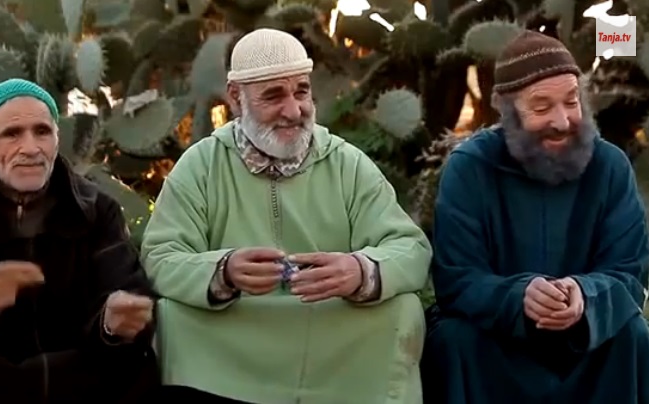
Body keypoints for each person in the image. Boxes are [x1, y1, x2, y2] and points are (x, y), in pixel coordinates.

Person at [141, 28, 432, 403]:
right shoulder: (201, 165)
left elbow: (411, 249)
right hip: (239, 328)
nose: (294, 111)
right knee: (172, 316)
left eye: (301, 92)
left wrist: (361, 271)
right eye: (274, 95)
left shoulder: (345, 162)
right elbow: (159, 257)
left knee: (403, 309)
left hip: (330, 326)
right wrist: (223, 271)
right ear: (236, 97)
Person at [0, 78, 160, 403]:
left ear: (56, 141)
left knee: (137, 369)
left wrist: (111, 321)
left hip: (74, 370)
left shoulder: (95, 209)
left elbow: (125, 287)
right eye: (12, 134)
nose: (31, 148)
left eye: (42, 132)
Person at [420, 30, 649, 404]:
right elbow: (456, 278)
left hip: (585, 340)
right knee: (453, 339)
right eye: (542, 108)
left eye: (571, 102)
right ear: (507, 112)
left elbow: (628, 271)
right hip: (498, 340)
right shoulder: (469, 168)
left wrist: (584, 295)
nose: (562, 121)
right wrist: (519, 296)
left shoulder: (610, 166)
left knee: (632, 334)